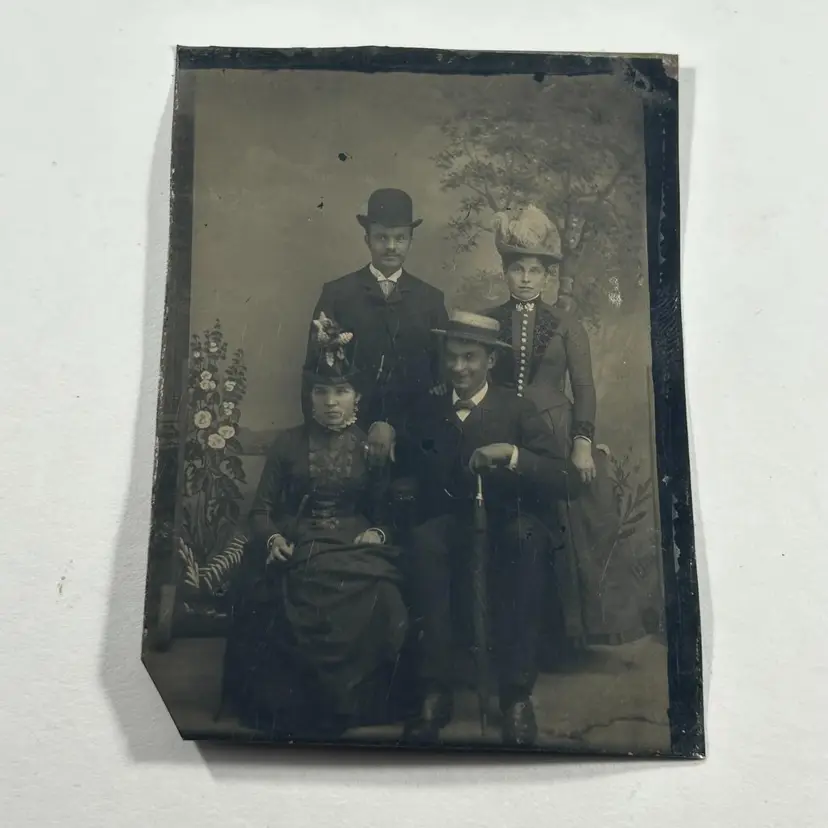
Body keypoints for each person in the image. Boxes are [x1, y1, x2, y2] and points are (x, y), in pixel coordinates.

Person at [395, 311, 582, 746]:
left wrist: (514, 454)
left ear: (491, 361)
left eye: (470, 358)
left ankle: (516, 696)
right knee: (424, 544)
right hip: (449, 521)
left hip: (506, 523)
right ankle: (434, 692)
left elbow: (566, 479)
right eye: (452, 358)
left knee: (525, 543)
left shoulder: (518, 410)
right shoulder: (427, 410)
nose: (458, 368)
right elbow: (406, 474)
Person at [222, 314, 409, 738]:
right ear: (309, 398)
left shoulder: (370, 445)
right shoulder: (289, 443)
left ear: (357, 397)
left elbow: (385, 514)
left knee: (385, 596)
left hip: (353, 544)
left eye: (341, 391)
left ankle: (359, 704)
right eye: (322, 392)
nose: (331, 402)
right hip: (300, 540)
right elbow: (261, 510)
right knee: (283, 600)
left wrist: (379, 533)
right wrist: (271, 538)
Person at [483, 204, 618, 654]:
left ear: (546, 277)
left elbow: (585, 387)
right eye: (516, 268)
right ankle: (507, 635)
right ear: (504, 272)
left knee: (558, 525)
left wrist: (582, 443)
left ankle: (562, 637)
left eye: (534, 271)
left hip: (555, 436)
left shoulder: (566, 325)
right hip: (502, 431)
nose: (525, 278)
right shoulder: (489, 321)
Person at [303, 188, 449, 466]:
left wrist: (399, 429)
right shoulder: (338, 294)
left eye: (400, 238)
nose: (391, 246)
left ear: (410, 241)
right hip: (347, 438)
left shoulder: (430, 299)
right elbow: (315, 373)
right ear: (367, 239)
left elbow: (441, 379)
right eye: (382, 237)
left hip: (412, 438)